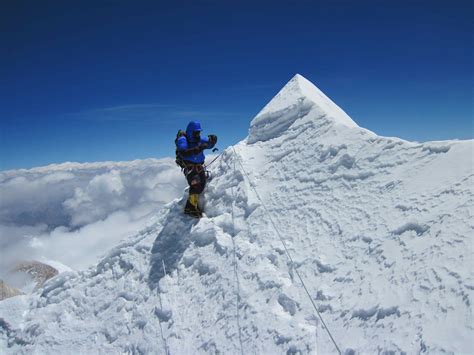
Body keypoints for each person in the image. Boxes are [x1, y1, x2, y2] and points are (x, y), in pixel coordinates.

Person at [175, 121, 217, 217]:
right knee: (195, 183)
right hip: (189, 167)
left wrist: (213, 141)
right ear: (191, 132)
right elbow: (183, 152)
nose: (198, 134)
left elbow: (208, 144)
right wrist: (197, 149)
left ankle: (192, 205)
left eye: (199, 132)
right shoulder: (183, 139)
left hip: (198, 166)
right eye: (196, 132)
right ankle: (190, 208)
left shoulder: (198, 139)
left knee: (201, 185)